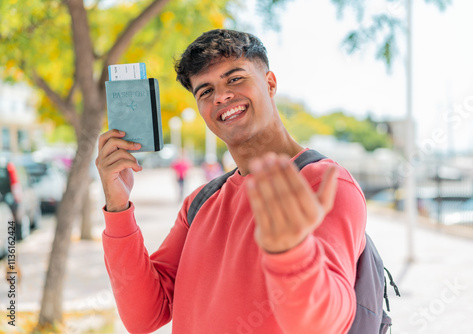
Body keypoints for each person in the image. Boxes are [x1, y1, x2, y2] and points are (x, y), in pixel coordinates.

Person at [96, 29, 366, 334]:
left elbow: (326, 324)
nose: (221, 96)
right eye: (205, 91)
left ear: (270, 82)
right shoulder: (200, 202)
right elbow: (144, 316)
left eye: (235, 79)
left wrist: (293, 254)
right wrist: (118, 209)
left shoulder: (325, 183)